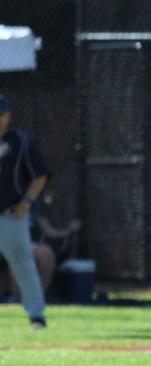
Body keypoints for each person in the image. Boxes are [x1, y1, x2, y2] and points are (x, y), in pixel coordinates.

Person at [0, 94, 51, 328]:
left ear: (8, 115)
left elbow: (40, 174)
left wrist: (27, 201)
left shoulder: (19, 141)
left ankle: (36, 315)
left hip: (11, 215)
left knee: (22, 262)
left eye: (1, 114)